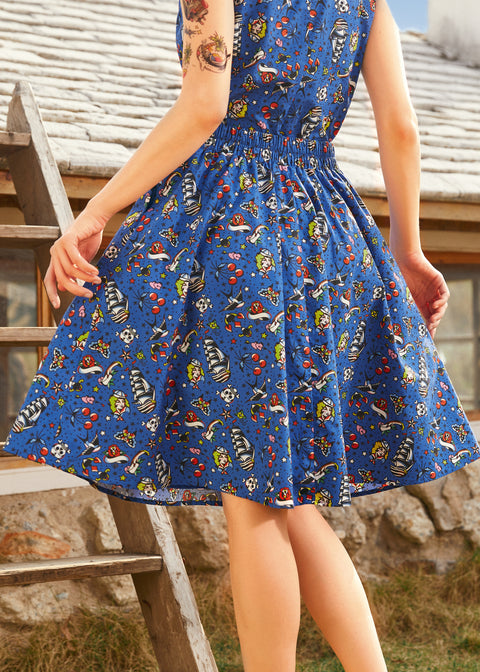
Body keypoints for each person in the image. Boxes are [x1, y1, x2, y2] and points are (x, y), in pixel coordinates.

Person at [5, 0, 479, 670]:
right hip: (322, 235)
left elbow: (205, 108)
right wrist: (409, 251)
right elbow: (401, 128)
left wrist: (99, 209)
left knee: (254, 498)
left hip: (235, 231)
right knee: (282, 495)